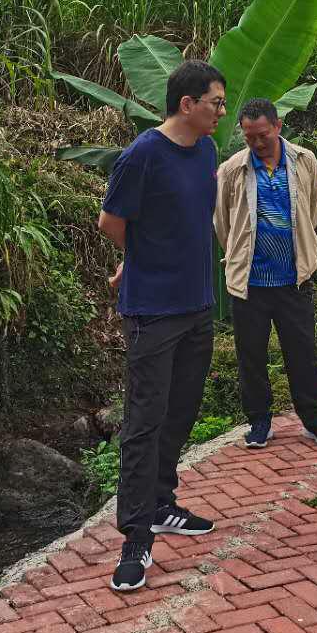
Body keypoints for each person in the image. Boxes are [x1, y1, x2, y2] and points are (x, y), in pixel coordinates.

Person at [97, 60, 226, 593]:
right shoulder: (142, 155)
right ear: (186, 104)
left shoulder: (207, 152)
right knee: (145, 421)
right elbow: (111, 222)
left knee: (181, 411)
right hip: (153, 311)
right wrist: (140, 259)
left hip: (197, 304)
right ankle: (135, 538)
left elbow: (191, 222)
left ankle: (161, 504)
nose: (222, 110)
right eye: (215, 102)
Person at [215, 99, 317, 450]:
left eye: (263, 136)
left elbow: (311, 210)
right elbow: (223, 223)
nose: (256, 144)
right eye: (249, 137)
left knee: (303, 352)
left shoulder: (304, 160)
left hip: (294, 280)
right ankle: (259, 421)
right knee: (251, 356)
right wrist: (239, 254)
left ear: (278, 126)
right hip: (250, 283)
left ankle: (315, 420)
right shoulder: (232, 169)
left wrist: (299, 247)